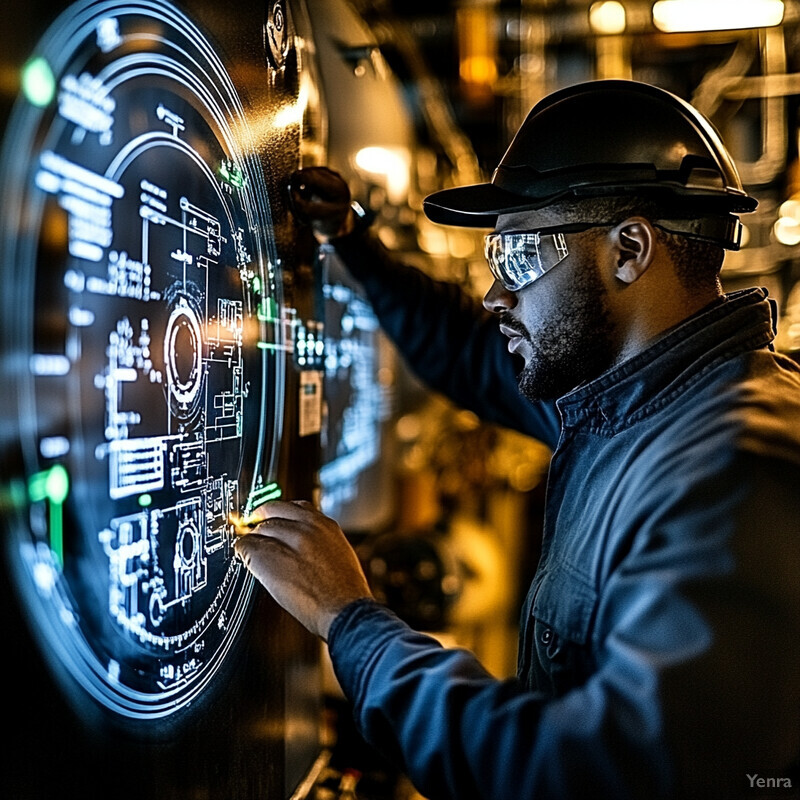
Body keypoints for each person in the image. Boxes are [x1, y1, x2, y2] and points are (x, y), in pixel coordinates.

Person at [234, 80, 800, 799]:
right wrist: (354, 246)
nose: (496, 295)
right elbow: (471, 354)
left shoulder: (739, 472)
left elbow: (592, 775)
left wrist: (349, 620)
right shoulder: (628, 401)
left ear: (629, 250)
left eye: (522, 259)